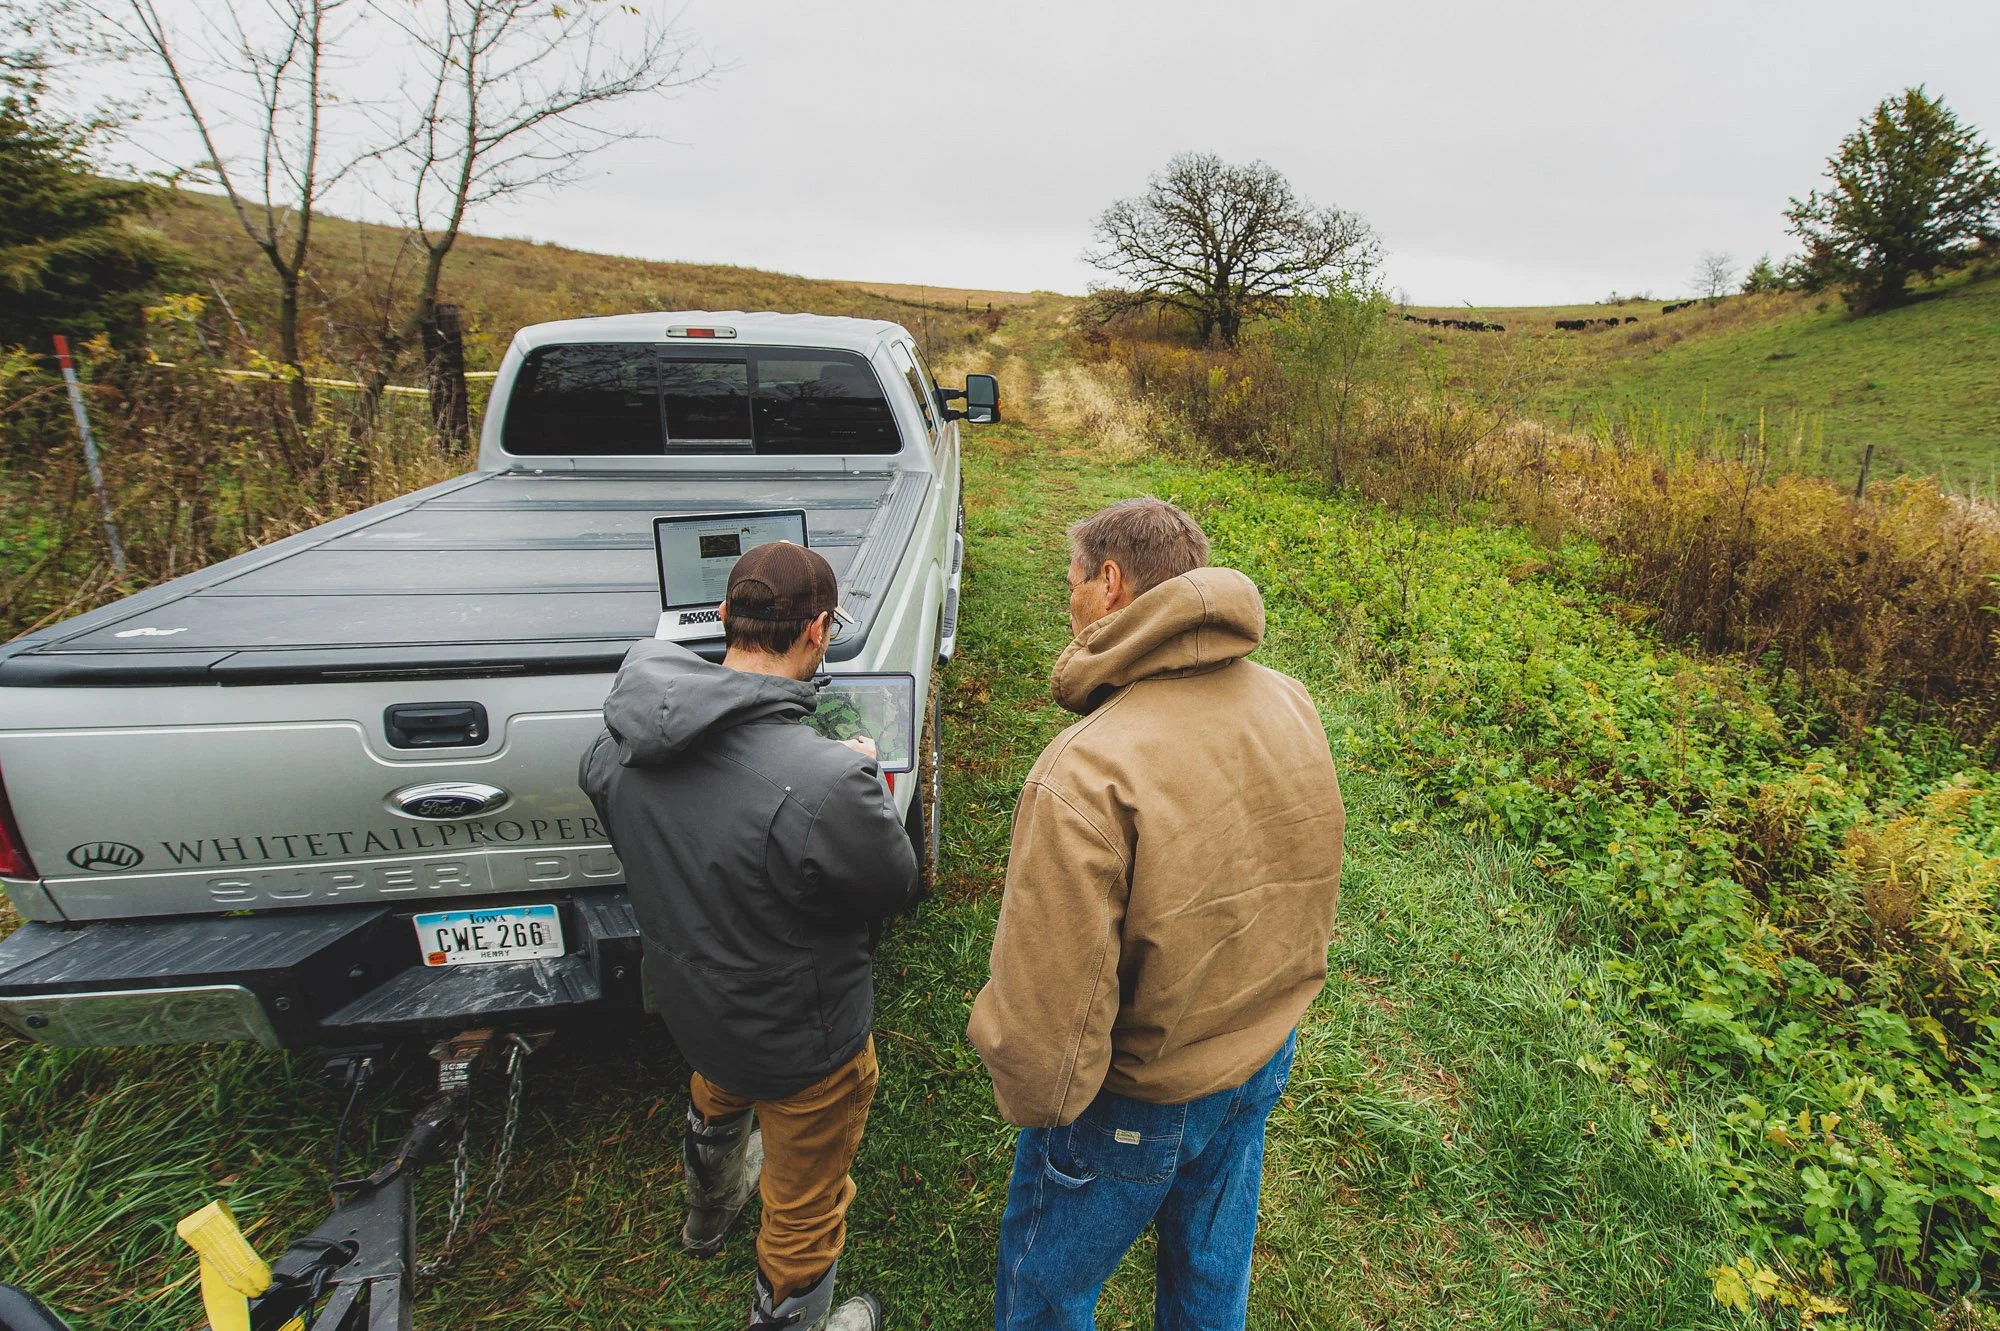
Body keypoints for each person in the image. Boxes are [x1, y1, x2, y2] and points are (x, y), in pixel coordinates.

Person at [968, 497, 1345, 1331]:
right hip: (1258, 1058)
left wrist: (1038, 1101)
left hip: (1136, 1101)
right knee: (1211, 1276)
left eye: (1068, 582)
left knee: (1045, 1293)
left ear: (1109, 584)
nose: (1065, 604)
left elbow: (1042, 1040)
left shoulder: (1085, 772)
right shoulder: (1291, 700)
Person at [580, 541, 918, 1331]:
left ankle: (708, 1213)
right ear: (819, 630)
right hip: (804, 1038)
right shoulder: (831, 783)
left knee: (718, 1083)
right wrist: (859, 775)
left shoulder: (617, 745)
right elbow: (891, 884)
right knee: (803, 1209)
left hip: (694, 1006)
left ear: (725, 616)